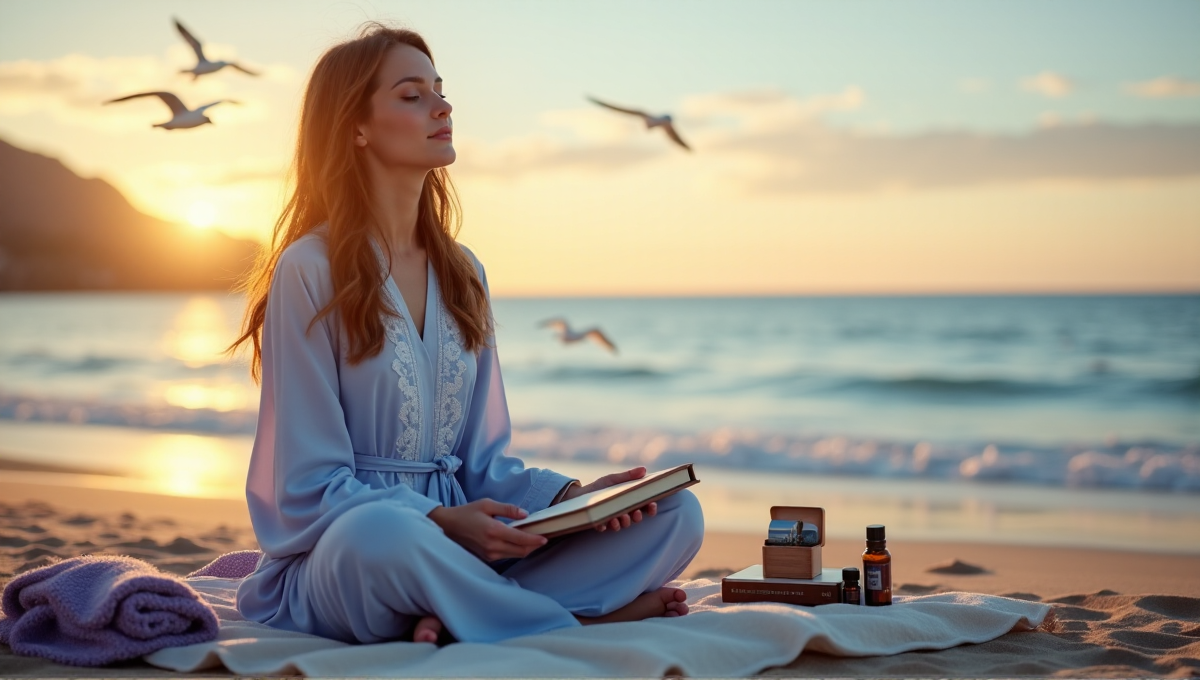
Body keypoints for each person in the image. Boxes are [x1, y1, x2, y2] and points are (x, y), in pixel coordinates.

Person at [227, 24, 704, 645]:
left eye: (440, 90)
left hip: (469, 549)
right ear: (355, 127)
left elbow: (482, 465)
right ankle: (576, 620)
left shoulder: (463, 271)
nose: (443, 106)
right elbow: (307, 485)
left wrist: (576, 498)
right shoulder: (309, 270)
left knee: (674, 513)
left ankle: (459, 615)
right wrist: (440, 521)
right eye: (412, 95)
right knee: (383, 536)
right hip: (352, 552)